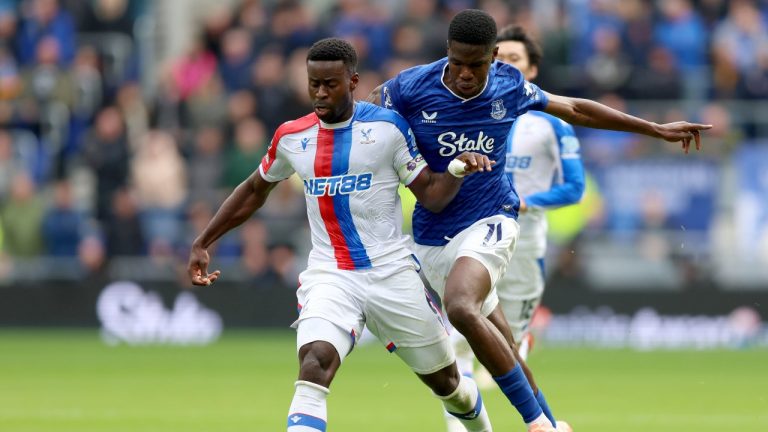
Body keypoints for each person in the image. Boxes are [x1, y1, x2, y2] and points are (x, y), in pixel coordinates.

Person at [368, 9, 710, 432]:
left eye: (477, 64)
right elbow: (364, 117)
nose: (466, 75)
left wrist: (654, 129)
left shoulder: (509, 85)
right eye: (457, 63)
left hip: (492, 218)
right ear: (447, 52)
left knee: (460, 307)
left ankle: (536, 425)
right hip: (432, 234)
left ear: (493, 56)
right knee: (506, 346)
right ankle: (550, 421)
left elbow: (575, 109)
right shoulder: (410, 86)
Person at [188, 38, 499, 432]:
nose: (320, 93)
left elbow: (432, 196)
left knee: (449, 385)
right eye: (313, 83)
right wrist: (204, 241)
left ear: (352, 82)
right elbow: (254, 190)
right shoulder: (292, 137)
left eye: (330, 84)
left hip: (392, 274)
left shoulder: (388, 129)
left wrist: (454, 171)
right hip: (331, 274)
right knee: (314, 363)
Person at [443, 25, 586, 432]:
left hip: (524, 244)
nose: (506, 66)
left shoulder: (550, 124)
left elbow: (575, 188)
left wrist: (527, 201)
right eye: (500, 59)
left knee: (508, 348)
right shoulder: (468, 112)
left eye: (515, 60)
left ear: (533, 69)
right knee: (458, 340)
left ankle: (541, 421)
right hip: (474, 234)